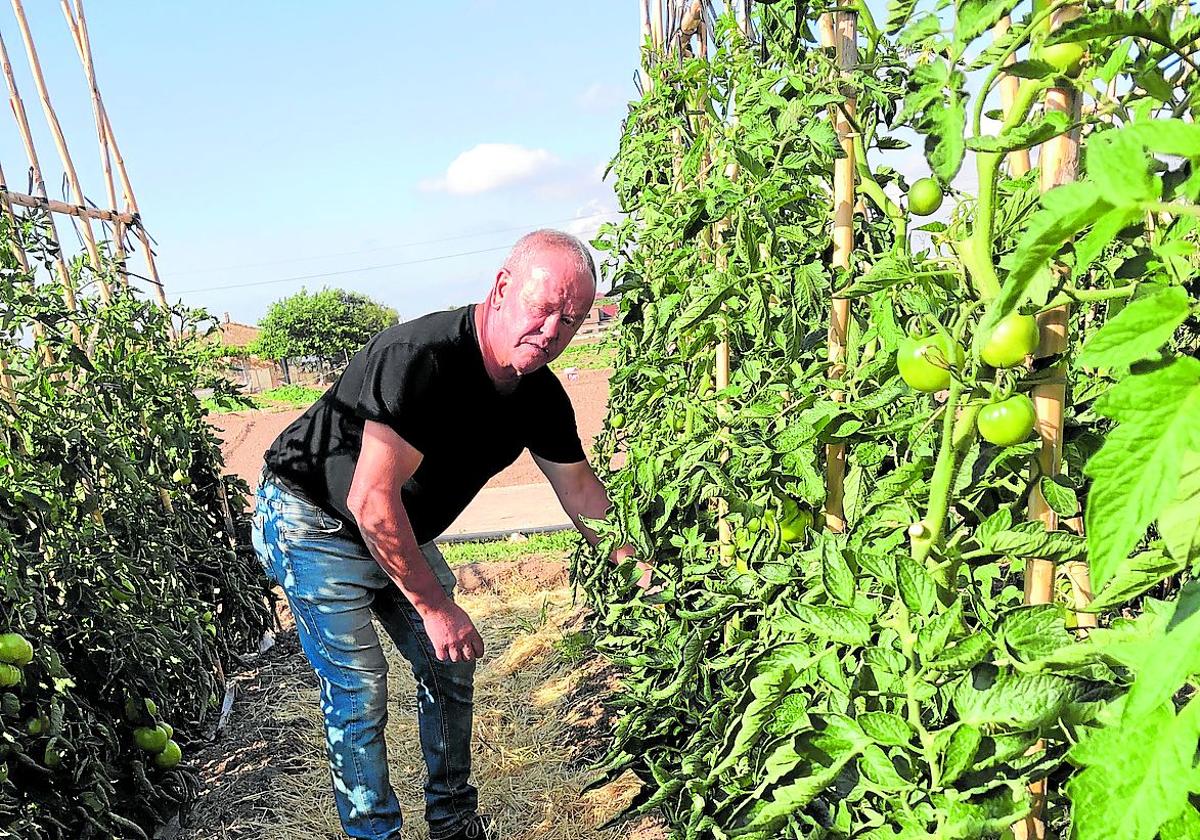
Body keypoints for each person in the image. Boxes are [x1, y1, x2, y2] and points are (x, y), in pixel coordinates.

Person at [250, 229, 645, 840]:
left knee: (451, 662)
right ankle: (374, 833)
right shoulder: (422, 358)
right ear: (502, 287)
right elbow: (370, 498)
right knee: (359, 689)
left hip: (392, 527)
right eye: (542, 309)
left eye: (570, 320)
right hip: (312, 517)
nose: (551, 332)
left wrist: (640, 571)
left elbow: (582, 494)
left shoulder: (538, 395)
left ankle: (454, 822)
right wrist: (434, 606)